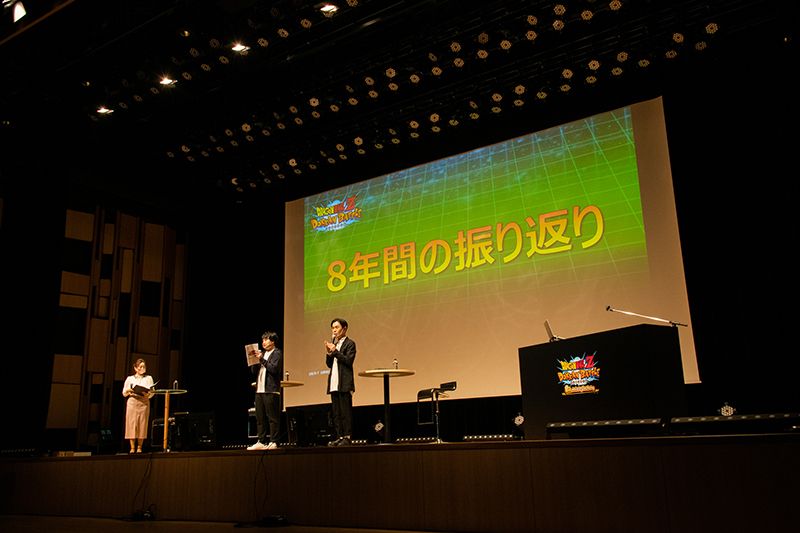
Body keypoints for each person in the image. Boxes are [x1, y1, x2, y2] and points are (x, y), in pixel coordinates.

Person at [247, 331, 283, 451]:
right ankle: (261, 441)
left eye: (266, 339)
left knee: (272, 417)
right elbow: (254, 372)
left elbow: (274, 369)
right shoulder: (262, 354)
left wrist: (261, 359)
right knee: (260, 417)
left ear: (273, 341)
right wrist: (253, 360)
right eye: (262, 340)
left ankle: (274, 441)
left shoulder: (277, 353)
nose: (263, 342)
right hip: (260, 390)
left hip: (271, 390)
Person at [324, 318, 356, 446]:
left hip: (344, 383)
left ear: (344, 328)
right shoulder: (335, 344)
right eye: (332, 328)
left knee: (345, 412)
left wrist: (335, 351)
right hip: (334, 382)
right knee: (336, 413)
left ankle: (347, 437)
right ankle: (339, 436)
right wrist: (329, 353)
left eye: (336, 327)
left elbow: (348, 361)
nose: (334, 330)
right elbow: (329, 364)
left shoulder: (350, 343)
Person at [122, 358, 155, 453]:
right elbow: (124, 393)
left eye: (144, 366)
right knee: (131, 424)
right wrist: (129, 391)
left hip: (143, 403)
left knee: (142, 424)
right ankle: (132, 448)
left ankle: (139, 447)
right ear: (135, 368)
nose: (142, 368)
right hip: (132, 402)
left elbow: (152, 392)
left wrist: (148, 394)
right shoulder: (130, 379)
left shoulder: (149, 378)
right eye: (140, 367)